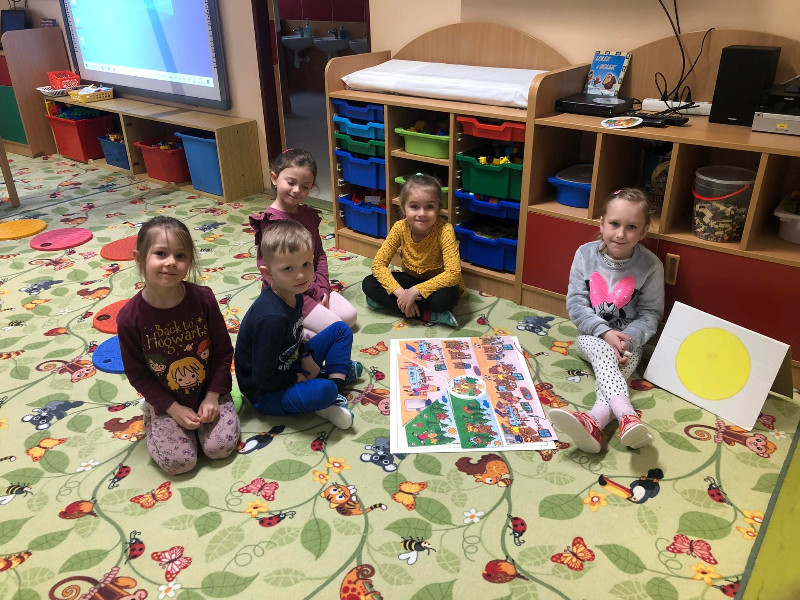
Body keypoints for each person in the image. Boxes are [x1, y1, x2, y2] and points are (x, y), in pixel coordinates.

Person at [118, 216, 240, 475]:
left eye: (180, 255)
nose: (171, 262)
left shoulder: (203, 299)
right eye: (161, 253)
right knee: (179, 463)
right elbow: (138, 374)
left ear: (190, 261)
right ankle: (150, 414)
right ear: (139, 258)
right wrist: (171, 408)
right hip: (167, 400)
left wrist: (213, 395)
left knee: (220, 448)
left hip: (209, 392)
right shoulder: (130, 318)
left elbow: (222, 351)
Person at [548, 188, 665, 453]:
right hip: (591, 337)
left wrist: (626, 342)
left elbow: (650, 315)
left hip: (629, 343)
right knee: (604, 354)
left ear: (644, 231)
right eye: (614, 224)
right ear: (601, 223)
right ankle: (627, 415)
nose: (621, 234)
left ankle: (593, 422)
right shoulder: (585, 254)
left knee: (614, 373)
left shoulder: (651, 266)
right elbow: (576, 305)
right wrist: (605, 333)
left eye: (631, 227)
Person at [235, 220, 362, 430]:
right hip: (266, 392)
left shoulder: (294, 294)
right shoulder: (271, 318)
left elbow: (295, 335)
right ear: (268, 274)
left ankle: (335, 389)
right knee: (324, 390)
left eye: (306, 264)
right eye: (288, 269)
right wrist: (297, 377)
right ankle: (329, 389)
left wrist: (305, 356)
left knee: (341, 330)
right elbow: (262, 378)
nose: (301, 275)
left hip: (288, 363)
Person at [250, 148, 356, 339]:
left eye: (305, 187)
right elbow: (271, 271)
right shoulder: (270, 222)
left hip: (310, 283)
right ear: (274, 178)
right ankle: (291, 330)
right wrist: (313, 291)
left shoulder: (307, 215)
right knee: (336, 329)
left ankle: (297, 327)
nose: (297, 190)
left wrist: (322, 287)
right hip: (288, 292)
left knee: (349, 316)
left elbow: (319, 254)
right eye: (291, 183)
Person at [362, 174, 465, 327]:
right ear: (404, 208)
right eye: (414, 207)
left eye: (429, 207)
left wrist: (415, 291)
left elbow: (453, 274)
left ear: (438, 209)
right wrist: (401, 293)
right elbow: (378, 265)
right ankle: (427, 314)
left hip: (437, 284)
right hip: (410, 279)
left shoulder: (445, 230)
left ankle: (398, 305)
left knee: (447, 298)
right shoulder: (399, 227)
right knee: (369, 283)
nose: (422, 213)